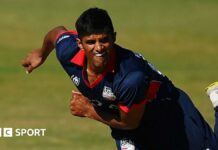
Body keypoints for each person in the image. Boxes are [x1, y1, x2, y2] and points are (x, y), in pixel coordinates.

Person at [22, 7, 218, 150]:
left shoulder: (129, 77)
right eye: (91, 42)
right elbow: (57, 32)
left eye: (104, 40)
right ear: (80, 43)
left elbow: (130, 122)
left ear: (114, 37)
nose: (98, 48)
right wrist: (41, 53)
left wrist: (89, 110)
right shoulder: (68, 52)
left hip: (169, 112)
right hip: (127, 125)